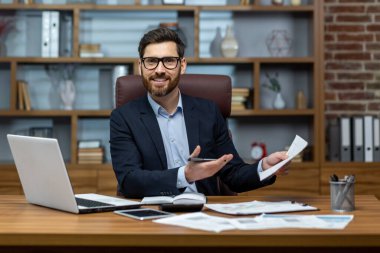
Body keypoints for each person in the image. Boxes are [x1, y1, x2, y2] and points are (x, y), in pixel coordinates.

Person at [110, 27, 289, 198]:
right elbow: (129, 180)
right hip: (153, 215)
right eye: (151, 61)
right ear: (140, 66)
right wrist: (184, 175)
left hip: (206, 214)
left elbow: (233, 175)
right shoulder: (123, 118)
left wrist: (265, 166)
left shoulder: (209, 112)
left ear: (183, 65)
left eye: (169, 61)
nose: (159, 70)